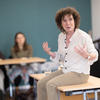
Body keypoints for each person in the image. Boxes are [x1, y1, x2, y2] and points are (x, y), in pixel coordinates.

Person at [37, 7, 98, 100]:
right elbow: (61, 57)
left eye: (70, 19)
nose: (68, 23)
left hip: (80, 74)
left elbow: (95, 55)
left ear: (75, 20)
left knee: (51, 84)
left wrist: (87, 55)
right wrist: (50, 53)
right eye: (64, 20)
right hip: (65, 71)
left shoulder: (83, 36)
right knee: (41, 83)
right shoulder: (61, 36)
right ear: (60, 23)